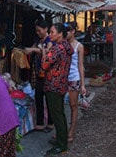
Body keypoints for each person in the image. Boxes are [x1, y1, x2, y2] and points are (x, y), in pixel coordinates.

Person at [42, 23, 73, 155]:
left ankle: (62, 144)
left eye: (52, 32)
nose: (50, 35)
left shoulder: (57, 49)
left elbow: (44, 64)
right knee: (60, 113)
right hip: (62, 83)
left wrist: (44, 51)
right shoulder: (67, 47)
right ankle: (62, 139)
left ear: (60, 34)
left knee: (57, 115)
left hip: (53, 84)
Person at [22, 20, 54, 132]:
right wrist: (25, 51)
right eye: (36, 31)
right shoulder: (37, 40)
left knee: (49, 98)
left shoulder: (50, 40)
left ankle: (50, 123)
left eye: (39, 30)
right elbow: (31, 49)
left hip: (48, 73)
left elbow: (48, 51)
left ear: (46, 29)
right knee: (38, 97)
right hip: (38, 73)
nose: (38, 33)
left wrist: (33, 49)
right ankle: (40, 123)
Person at [65, 22, 87, 143]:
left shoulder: (79, 46)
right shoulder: (62, 44)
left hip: (74, 78)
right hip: (63, 78)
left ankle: (71, 130)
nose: (66, 33)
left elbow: (80, 65)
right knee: (60, 106)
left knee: (73, 105)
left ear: (73, 31)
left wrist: (83, 84)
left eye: (68, 30)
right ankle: (62, 129)